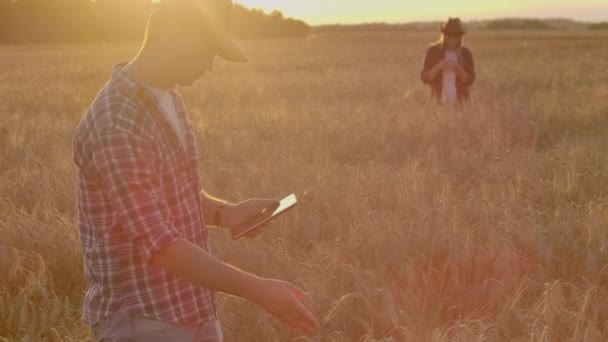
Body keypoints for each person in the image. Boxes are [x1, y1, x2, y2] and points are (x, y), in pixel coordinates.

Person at [72, 0, 319, 340]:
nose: (210, 66)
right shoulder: (117, 123)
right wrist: (258, 290)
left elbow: (175, 191)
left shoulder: (167, 97)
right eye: (209, 50)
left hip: (191, 306)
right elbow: (161, 245)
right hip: (144, 320)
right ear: (177, 32)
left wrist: (225, 213)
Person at [420, 18, 476, 104]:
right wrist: (438, 67)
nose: (452, 39)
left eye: (455, 36)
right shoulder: (432, 51)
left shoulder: (466, 53)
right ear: (444, 35)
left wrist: (458, 68)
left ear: (460, 37)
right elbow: (425, 78)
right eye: (449, 36)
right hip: (437, 102)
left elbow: (469, 81)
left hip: (461, 102)